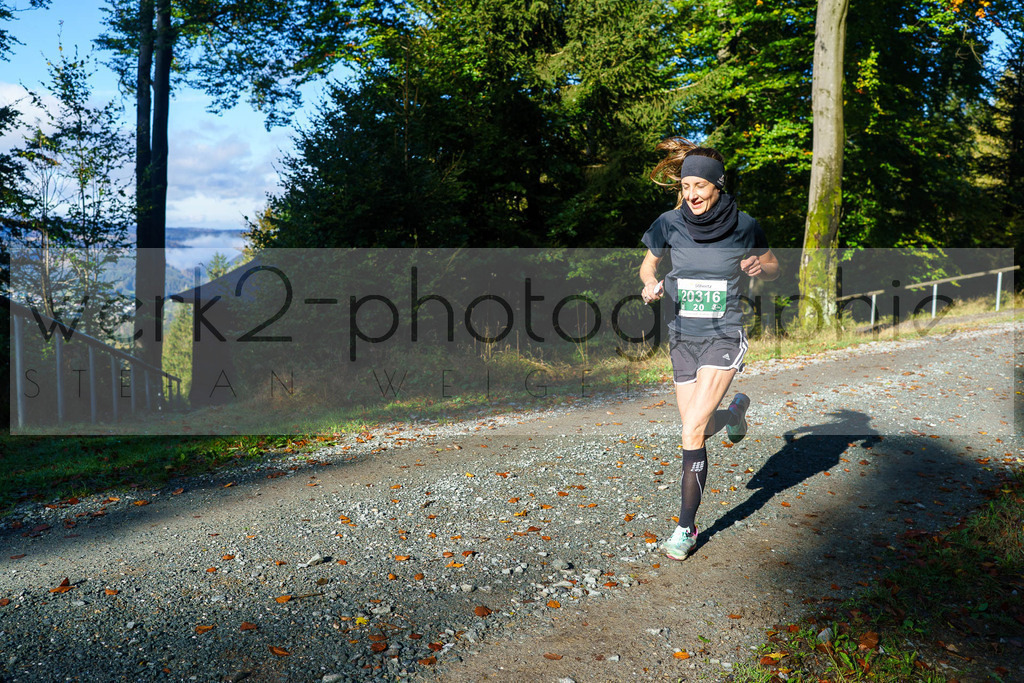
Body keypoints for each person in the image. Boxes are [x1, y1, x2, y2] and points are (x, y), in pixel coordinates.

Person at [639, 137, 779, 560]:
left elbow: (773, 265)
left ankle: (686, 528)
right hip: (683, 337)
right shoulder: (669, 223)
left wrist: (759, 266)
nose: (691, 194)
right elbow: (649, 264)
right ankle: (734, 414)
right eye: (685, 187)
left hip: (724, 335)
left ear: (717, 185)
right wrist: (650, 283)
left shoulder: (744, 225)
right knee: (695, 426)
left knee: (691, 431)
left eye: (699, 186)